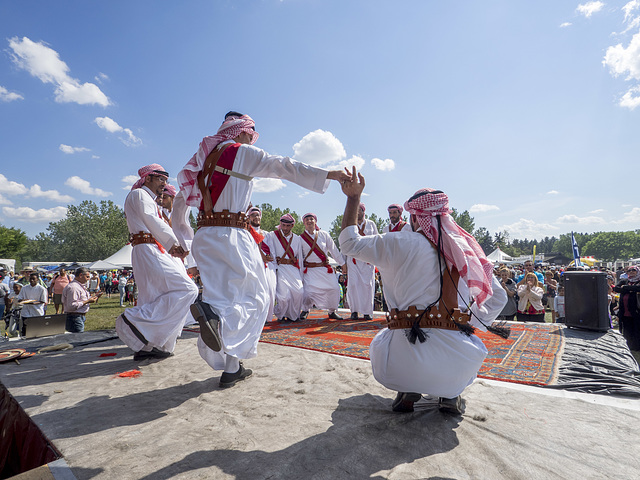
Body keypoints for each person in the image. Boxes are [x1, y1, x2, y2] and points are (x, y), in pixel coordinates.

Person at [174, 112, 350, 388]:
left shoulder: (203, 160)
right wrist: (329, 174)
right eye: (250, 135)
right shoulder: (238, 152)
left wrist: (185, 242)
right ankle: (214, 316)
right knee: (256, 298)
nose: (252, 141)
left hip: (205, 236)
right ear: (241, 133)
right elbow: (282, 165)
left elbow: (179, 208)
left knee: (227, 297)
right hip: (231, 234)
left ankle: (232, 367)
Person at [338, 169, 506, 414]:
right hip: (456, 360)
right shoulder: (466, 250)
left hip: (398, 362)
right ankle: (451, 395)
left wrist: (353, 198)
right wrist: (466, 325)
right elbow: (498, 296)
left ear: (414, 218)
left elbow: (348, 243)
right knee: (466, 350)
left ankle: (407, 388)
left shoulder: (396, 242)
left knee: (382, 343)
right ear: (446, 216)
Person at [115, 164, 199, 361]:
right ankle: (135, 320)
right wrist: (172, 244)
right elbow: (153, 221)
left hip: (152, 249)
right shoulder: (139, 195)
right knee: (188, 289)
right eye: (160, 179)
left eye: (166, 180)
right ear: (148, 178)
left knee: (154, 296)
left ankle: (149, 346)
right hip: (148, 248)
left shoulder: (150, 200)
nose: (164, 184)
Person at [299, 212, 345, 320]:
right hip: (309, 271)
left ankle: (332, 311)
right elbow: (299, 257)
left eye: (311, 219)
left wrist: (342, 264)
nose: (309, 221)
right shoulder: (300, 238)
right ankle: (305, 310)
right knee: (307, 292)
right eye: (307, 220)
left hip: (325, 269)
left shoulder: (324, 234)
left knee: (334, 289)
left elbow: (334, 250)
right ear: (304, 223)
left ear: (315, 221)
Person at [265, 214, 305, 322]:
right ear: (280, 224)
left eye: (288, 226)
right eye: (283, 225)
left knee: (299, 292)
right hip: (280, 267)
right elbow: (264, 245)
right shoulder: (272, 235)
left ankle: (293, 316)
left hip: (292, 268)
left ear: (292, 226)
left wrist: (301, 273)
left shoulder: (297, 238)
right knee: (283, 297)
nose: (285, 228)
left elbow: (300, 258)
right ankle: (280, 314)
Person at [345, 203, 378, 320]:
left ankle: (367, 312)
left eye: (360, 210)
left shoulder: (371, 224)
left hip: (367, 261)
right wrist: (343, 263)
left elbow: (376, 241)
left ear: (364, 211)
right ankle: (354, 311)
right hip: (353, 260)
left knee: (367, 286)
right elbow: (345, 243)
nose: (358, 212)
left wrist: (376, 258)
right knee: (353, 285)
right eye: (356, 210)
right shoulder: (350, 225)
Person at [247, 206, 277, 322]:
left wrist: (270, 259)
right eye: (253, 215)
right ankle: (254, 317)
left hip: (267, 266)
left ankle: (267, 317)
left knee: (270, 290)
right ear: (249, 217)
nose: (256, 217)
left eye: (258, 215)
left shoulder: (266, 234)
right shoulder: (246, 232)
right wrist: (261, 256)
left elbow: (272, 250)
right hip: (252, 265)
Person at [62, 267, 100, 333]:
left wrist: (93, 298)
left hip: (78, 317)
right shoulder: (74, 287)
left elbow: (81, 299)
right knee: (77, 340)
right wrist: (87, 301)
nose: (88, 279)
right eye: (87, 277)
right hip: (74, 318)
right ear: (80, 275)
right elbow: (71, 306)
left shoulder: (79, 286)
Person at [613, 266, 640, 351]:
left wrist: (624, 288)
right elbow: (616, 288)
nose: (631, 272)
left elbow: (638, 288)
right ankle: (628, 346)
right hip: (624, 311)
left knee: (637, 329)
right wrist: (629, 289)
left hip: (636, 311)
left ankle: (637, 347)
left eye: (634, 270)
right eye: (629, 270)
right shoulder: (625, 281)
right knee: (627, 330)